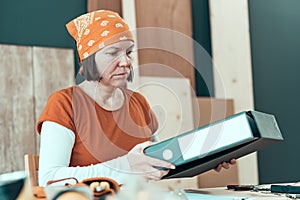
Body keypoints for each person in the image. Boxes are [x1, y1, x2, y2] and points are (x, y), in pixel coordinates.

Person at [37, 10, 235, 187]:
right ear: (89, 58)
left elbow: (157, 163)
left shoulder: (138, 103)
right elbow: (50, 179)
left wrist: (206, 158)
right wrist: (126, 166)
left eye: (128, 52)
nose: (125, 62)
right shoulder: (64, 104)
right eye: (113, 53)